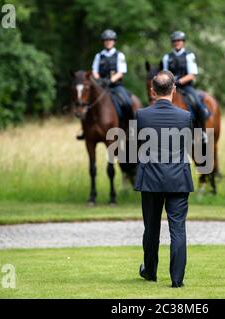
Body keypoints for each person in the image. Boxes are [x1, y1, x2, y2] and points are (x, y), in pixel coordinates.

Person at [134, 70, 194, 288]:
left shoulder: (141, 115)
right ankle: (177, 280)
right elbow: (187, 146)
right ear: (174, 90)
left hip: (150, 179)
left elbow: (137, 146)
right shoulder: (186, 116)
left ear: (152, 90)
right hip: (178, 179)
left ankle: (150, 272)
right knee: (178, 230)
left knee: (151, 229)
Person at [77, 29, 132, 140]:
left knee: (127, 103)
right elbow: (94, 71)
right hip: (101, 85)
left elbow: (121, 72)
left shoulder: (119, 55)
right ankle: (85, 130)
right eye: (106, 40)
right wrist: (99, 80)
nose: (108, 42)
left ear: (114, 41)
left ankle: (129, 128)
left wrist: (111, 80)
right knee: (86, 103)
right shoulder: (99, 56)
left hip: (115, 86)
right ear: (103, 42)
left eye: (110, 40)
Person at [162, 31, 210, 135]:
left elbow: (192, 75)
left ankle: (202, 132)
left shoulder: (189, 56)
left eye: (179, 40)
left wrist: (178, 81)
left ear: (183, 42)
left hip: (186, 87)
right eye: (174, 41)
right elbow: (165, 74)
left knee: (197, 104)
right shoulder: (167, 57)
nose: (176, 42)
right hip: (170, 88)